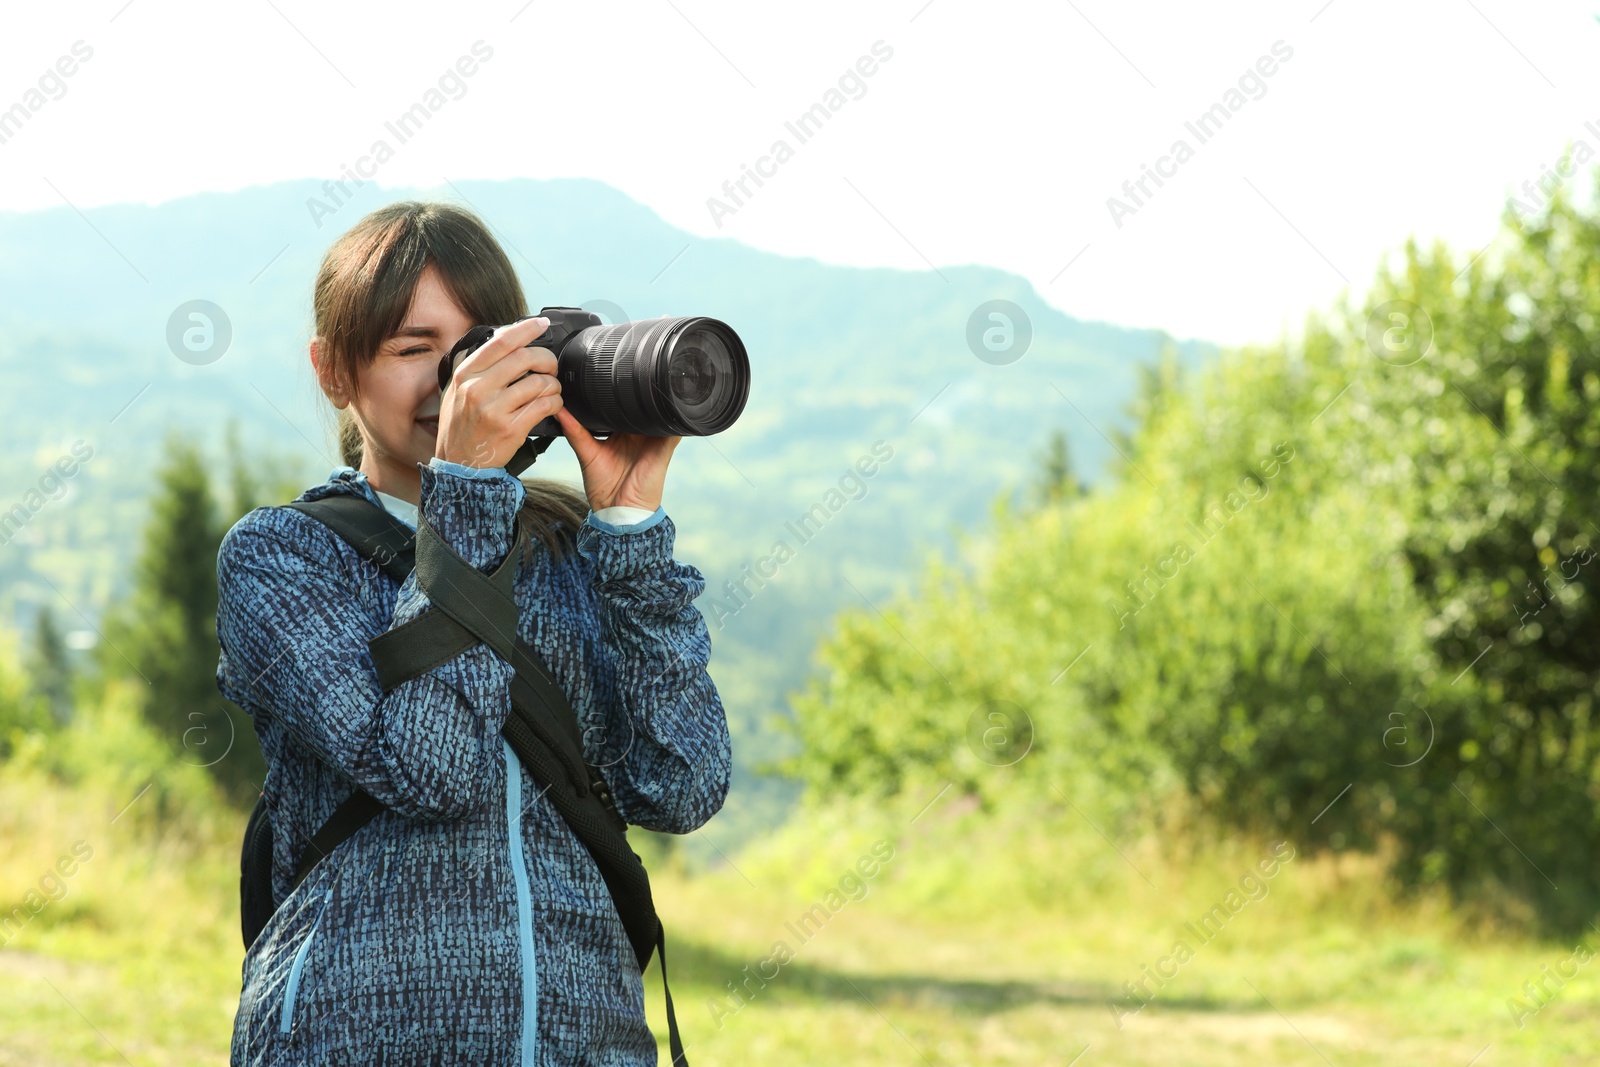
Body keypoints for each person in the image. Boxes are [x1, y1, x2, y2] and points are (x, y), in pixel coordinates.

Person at [216, 200, 731, 1065]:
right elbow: (433, 768)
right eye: (415, 351)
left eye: (475, 351)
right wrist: (468, 494)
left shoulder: (570, 552)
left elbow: (681, 783)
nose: (452, 386)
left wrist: (632, 531)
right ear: (334, 371)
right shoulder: (284, 558)